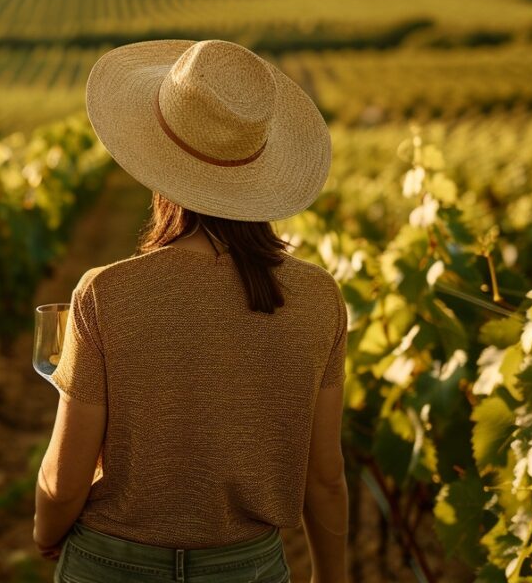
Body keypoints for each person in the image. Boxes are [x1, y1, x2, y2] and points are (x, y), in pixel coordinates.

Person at [33, 39, 349, 583]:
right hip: (248, 568)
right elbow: (325, 478)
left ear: (158, 162)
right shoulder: (319, 298)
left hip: (113, 565)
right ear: (262, 169)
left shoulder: (106, 293)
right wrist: (332, 575)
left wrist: (46, 533)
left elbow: (66, 478)